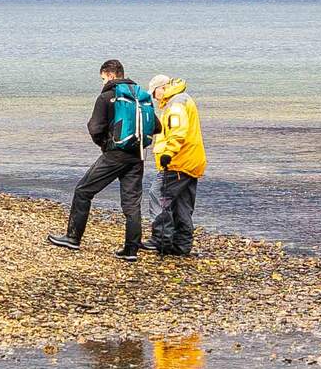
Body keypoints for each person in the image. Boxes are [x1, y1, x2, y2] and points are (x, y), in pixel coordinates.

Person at [49, 58, 157, 257]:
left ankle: (73, 238)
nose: (103, 82)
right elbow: (156, 126)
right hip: (138, 154)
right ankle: (131, 249)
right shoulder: (140, 96)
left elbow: (95, 127)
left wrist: (105, 144)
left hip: (114, 154)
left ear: (110, 74)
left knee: (83, 191)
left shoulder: (107, 96)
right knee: (132, 203)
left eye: (103, 78)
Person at [146, 74, 205, 257]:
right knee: (182, 204)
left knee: (158, 196)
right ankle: (181, 246)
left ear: (161, 88)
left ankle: (161, 239)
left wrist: (167, 154)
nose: (155, 98)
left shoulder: (175, 104)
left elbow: (178, 132)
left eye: (154, 93)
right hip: (192, 161)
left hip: (177, 162)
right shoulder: (184, 99)